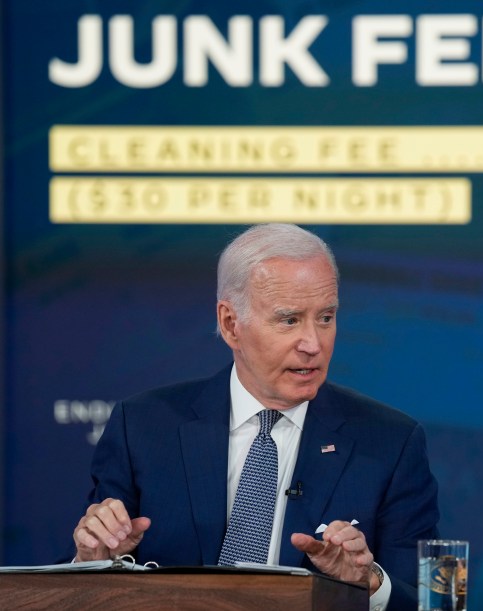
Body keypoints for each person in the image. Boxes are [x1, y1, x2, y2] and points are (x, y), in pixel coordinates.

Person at [70, 224, 440, 611]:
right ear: (231, 324)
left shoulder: (390, 443)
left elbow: (426, 603)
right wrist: (93, 561)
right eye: (289, 320)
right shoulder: (143, 427)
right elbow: (68, 586)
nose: (313, 344)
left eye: (326, 317)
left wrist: (369, 581)